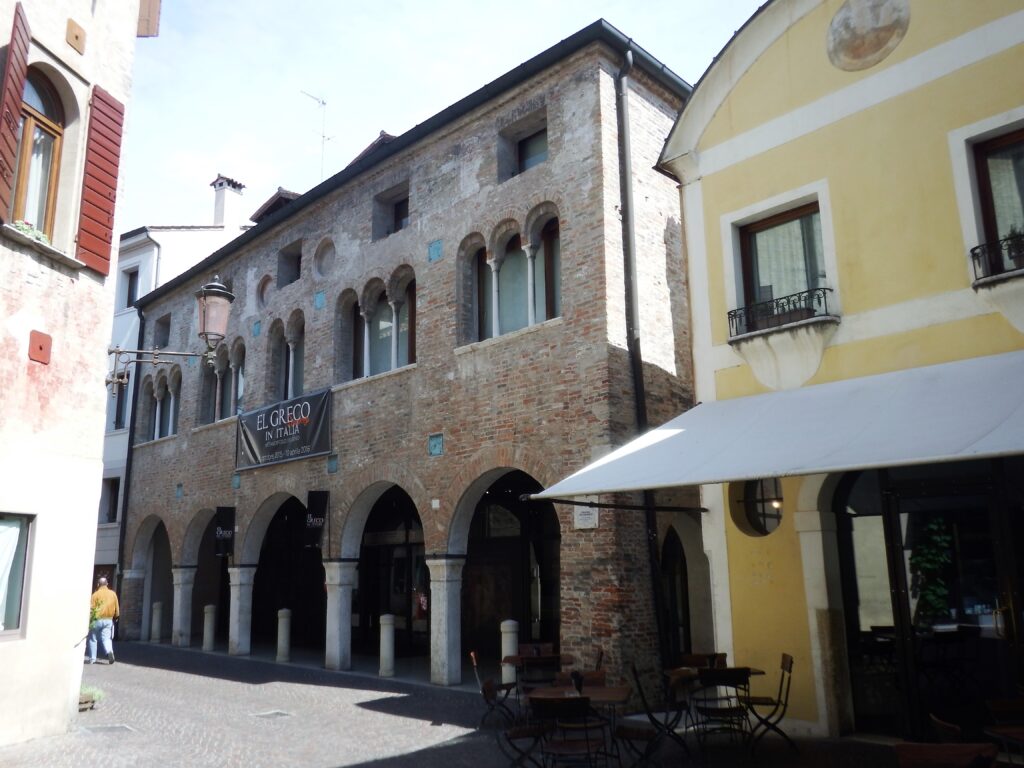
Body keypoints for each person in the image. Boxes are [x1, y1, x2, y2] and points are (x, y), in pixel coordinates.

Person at [87, 577, 119, 664]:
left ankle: (92, 659)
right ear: (107, 584)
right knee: (106, 638)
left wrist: (89, 619)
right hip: (108, 619)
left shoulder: (95, 595)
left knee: (92, 638)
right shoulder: (113, 594)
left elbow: (91, 608)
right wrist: (116, 616)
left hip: (96, 619)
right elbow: (116, 607)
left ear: (98, 584)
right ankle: (109, 651)